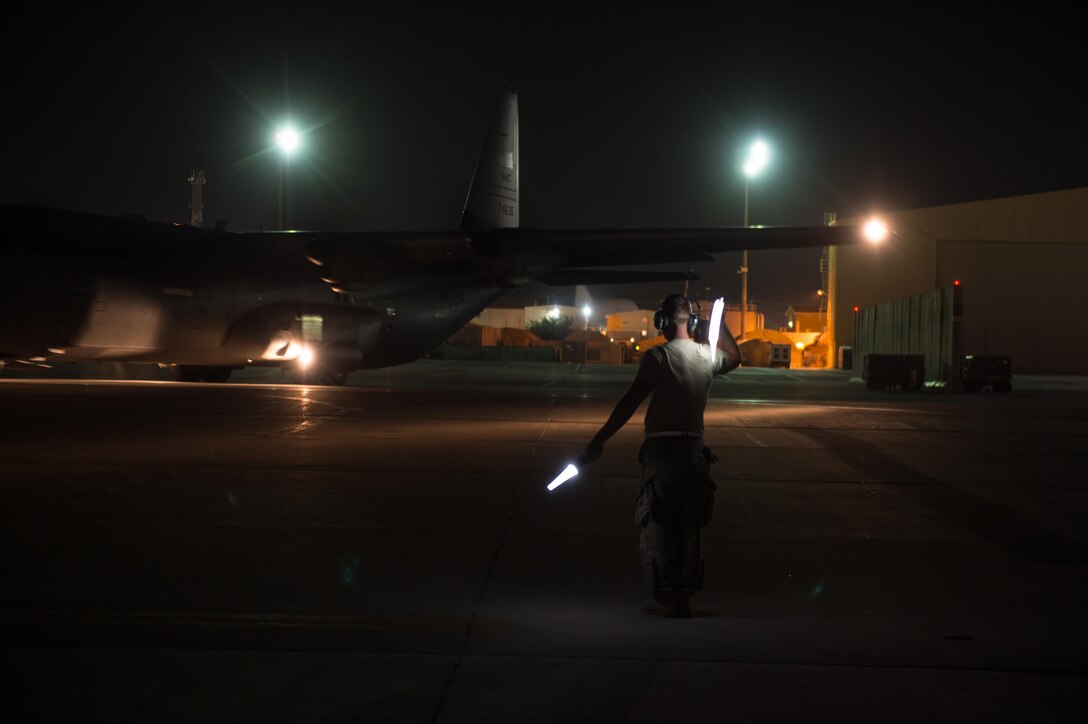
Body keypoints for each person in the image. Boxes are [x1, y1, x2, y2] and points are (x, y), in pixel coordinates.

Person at [584, 294, 741, 617]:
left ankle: (667, 596)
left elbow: (630, 401)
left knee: (659, 525)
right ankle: (685, 597)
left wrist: (600, 439)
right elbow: (735, 356)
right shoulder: (706, 355)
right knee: (690, 527)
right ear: (692, 323)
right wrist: (718, 325)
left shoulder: (657, 357)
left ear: (663, 322)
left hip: (662, 453)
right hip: (696, 454)